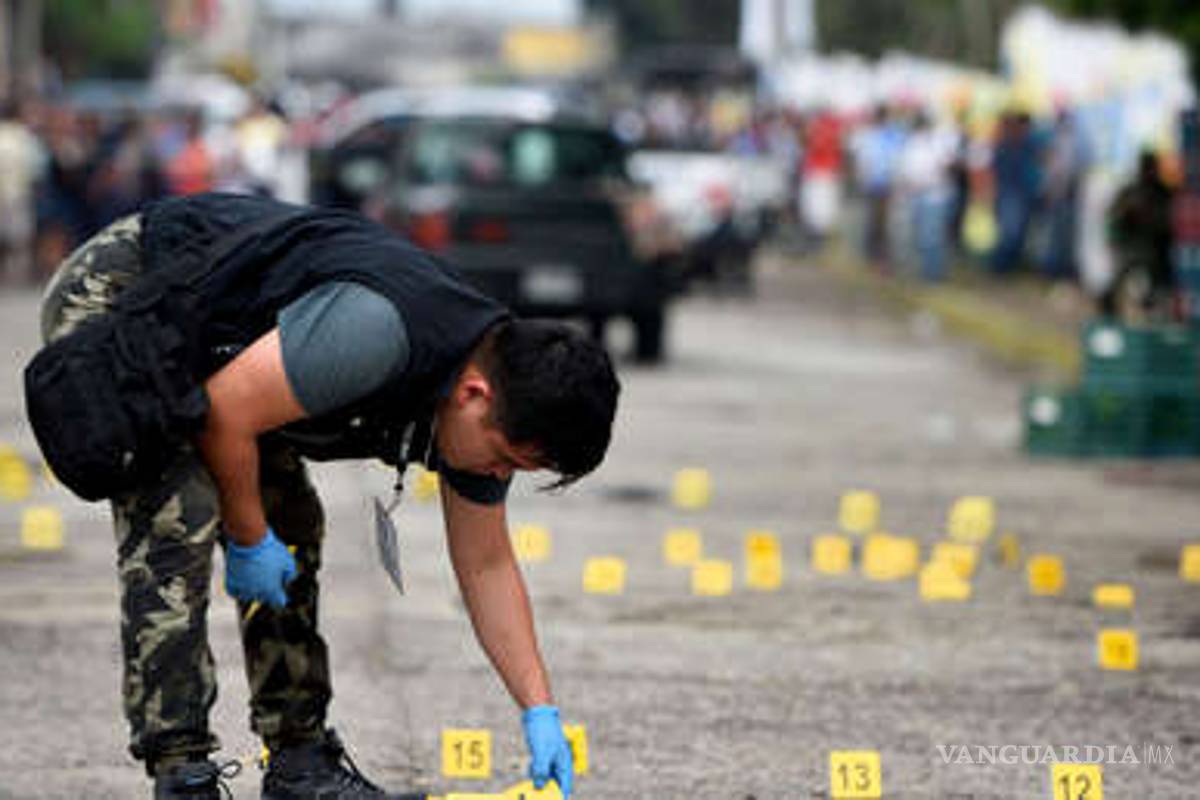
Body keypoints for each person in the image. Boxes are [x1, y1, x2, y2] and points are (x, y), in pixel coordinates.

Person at [36, 193, 619, 799]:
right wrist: (247, 535)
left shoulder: (493, 396)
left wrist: (539, 710)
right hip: (126, 288)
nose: (498, 475)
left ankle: (299, 765)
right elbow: (224, 413)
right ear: (474, 395)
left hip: (232, 352)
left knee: (288, 522)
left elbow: (488, 564)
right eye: (504, 459)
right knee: (180, 514)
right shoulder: (377, 332)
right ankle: (181, 770)